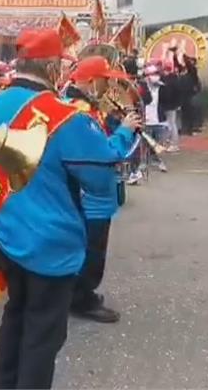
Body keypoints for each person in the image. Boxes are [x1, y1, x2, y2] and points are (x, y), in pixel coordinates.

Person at [0, 32, 139, 389]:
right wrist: (124, 134)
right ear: (50, 65)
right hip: (48, 242)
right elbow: (99, 174)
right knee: (42, 335)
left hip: (2, 231)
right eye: (62, 63)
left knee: (14, 318)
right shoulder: (65, 116)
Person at [60, 55, 138, 324]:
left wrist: (116, 124)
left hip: (90, 194)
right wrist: (125, 132)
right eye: (106, 80)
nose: (109, 87)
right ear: (92, 82)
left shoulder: (85, 108)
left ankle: (79, 294)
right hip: (88, 196)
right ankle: (81, 299)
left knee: (90, 248)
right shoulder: (77, 112)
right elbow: (102, 153)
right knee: (91, 251)